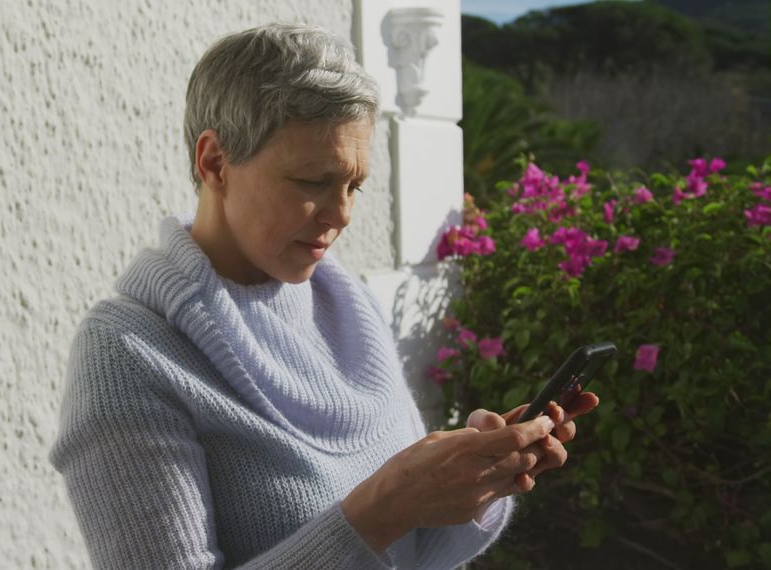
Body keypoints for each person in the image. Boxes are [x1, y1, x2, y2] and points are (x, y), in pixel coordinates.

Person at [50, 23, 598, 569]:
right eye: (313, 182)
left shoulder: (344, 305)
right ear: (215, 162)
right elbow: (383, 519)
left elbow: (411, 553)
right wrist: (384, 507)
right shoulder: (127, 356)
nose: (341, 215)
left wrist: (473, 480)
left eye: (353, 185)